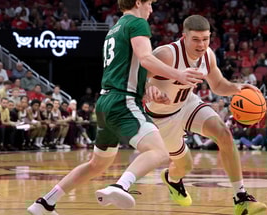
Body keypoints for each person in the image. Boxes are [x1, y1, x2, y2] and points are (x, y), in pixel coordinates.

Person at [27, 1, 204, 214]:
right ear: (138, 2)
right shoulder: (138, 22)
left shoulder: (115, 28)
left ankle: (45, 203)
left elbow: (127, 68)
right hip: (122, 101)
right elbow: (146, 58)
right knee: (158, 151)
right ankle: (120, 186)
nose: (151, 9)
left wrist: (147, 87)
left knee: (97, 165)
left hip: (105, 102)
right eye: (149, 3)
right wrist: (179, 74)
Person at [145, 15, 266, 215]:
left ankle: (241, 197)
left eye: (206, 39)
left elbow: (218, 85)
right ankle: (172, 179)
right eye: (196, 39)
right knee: (185, 165)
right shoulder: (166, 54)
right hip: (162, 117)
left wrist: (237, 88)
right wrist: (149, 90)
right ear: (184, 37)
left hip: (187, 103)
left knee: (223, 133)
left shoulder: (207, 55)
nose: (201, 44)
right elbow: (134, 80)